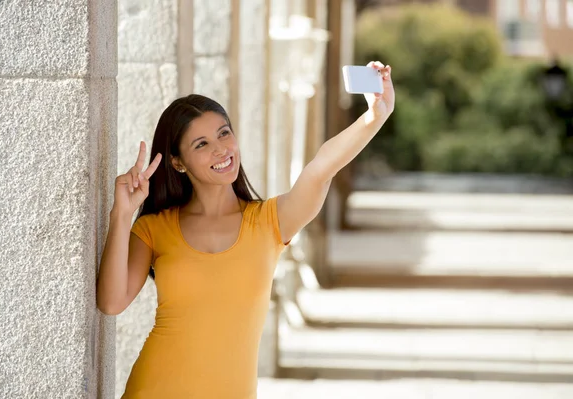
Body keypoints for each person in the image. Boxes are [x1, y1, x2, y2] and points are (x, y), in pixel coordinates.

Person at [96, 61, 394, 398]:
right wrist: (122, 214)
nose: (221, 149)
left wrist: (374, 117)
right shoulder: (153, 228)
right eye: (201, 144)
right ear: (178, 162)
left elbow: (320, 169)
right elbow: (111, 302)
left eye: (224, 133)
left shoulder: (269, 221)